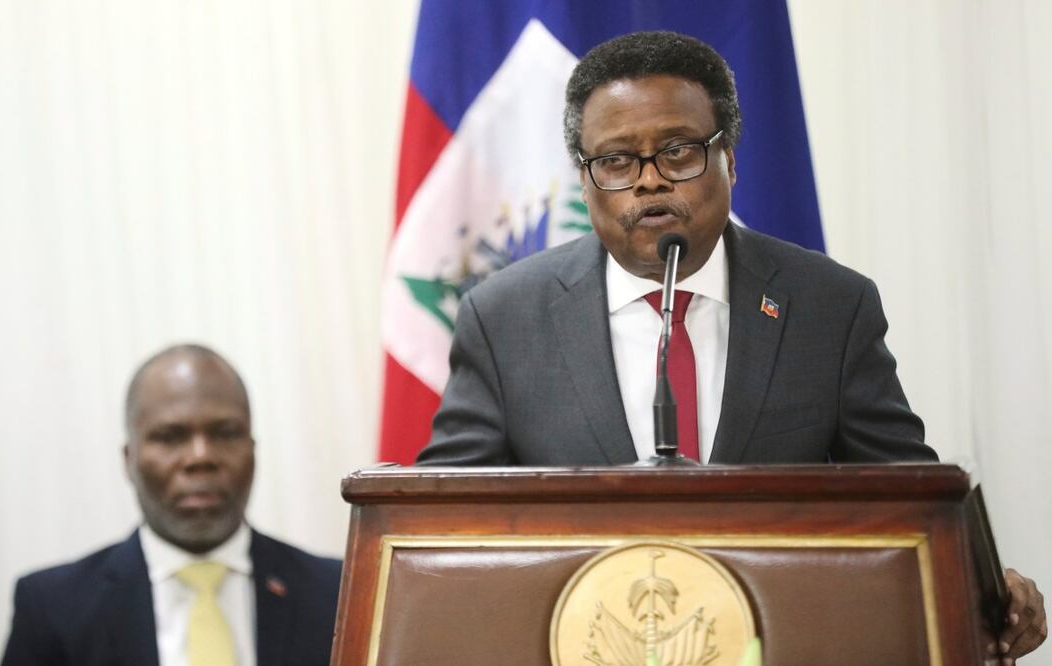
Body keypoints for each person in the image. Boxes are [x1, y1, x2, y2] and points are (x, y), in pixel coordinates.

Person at [416, 31, 1046, 662]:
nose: (650, 183)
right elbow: (441, 526)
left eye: (678, 152)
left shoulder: (828, 304)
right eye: (616, 162)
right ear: (584, 179)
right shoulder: (505, 317)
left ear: (730, 161)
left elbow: (910, 499)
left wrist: (988, 588)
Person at [1, 344, 342, 665]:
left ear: (253, 449)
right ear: (128, 459)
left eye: (224, 433)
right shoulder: (53, 607)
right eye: (170, 437)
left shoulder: (340, 593)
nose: (201, 457)